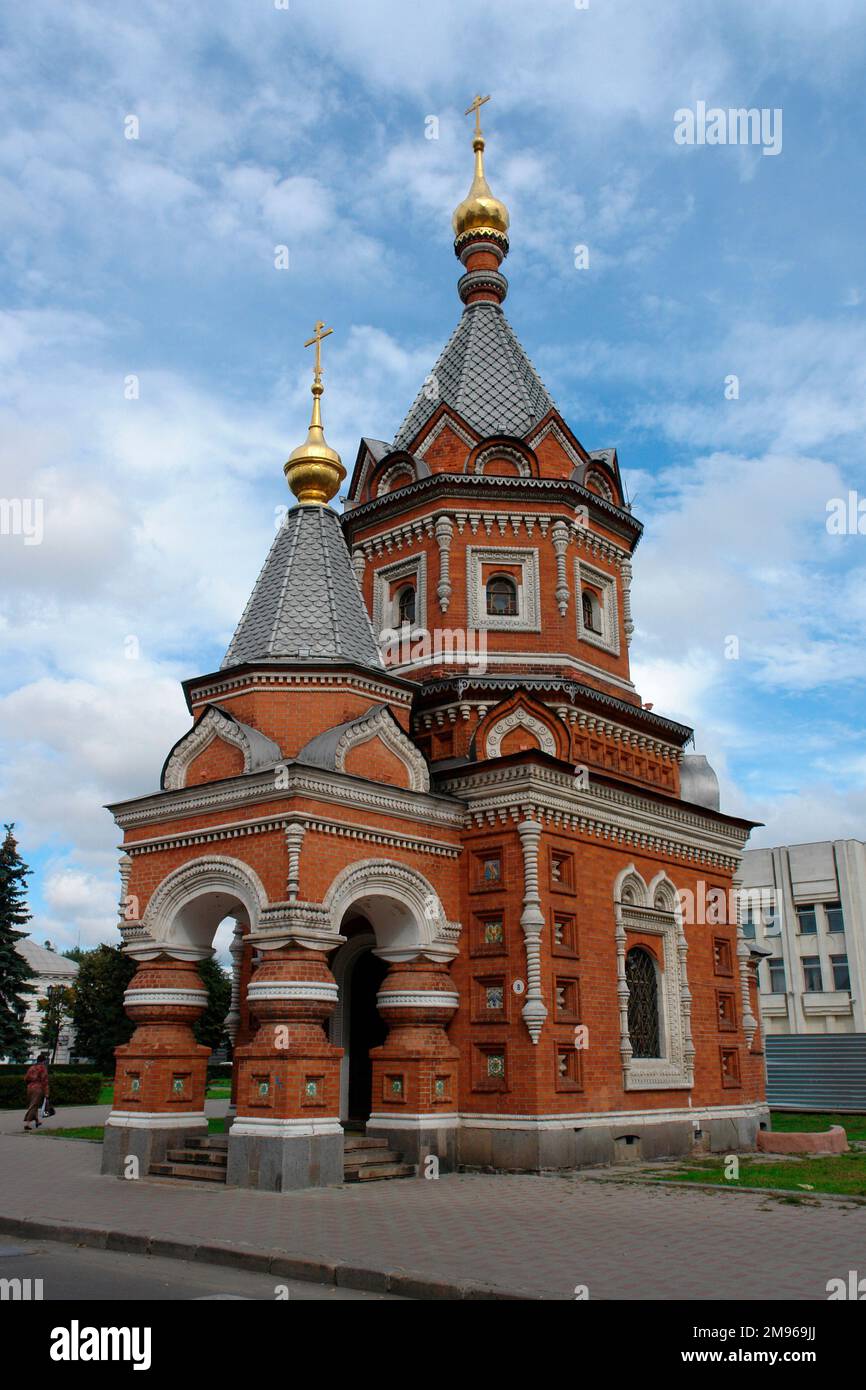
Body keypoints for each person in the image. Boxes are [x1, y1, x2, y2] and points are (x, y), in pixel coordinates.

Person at [23, 1052, 50, 1131]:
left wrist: (30, 1084)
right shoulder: (43, 1068)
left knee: (35, 1104)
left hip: (29, 1088)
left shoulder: (32, 1067)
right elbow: (45, 1081)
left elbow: (25, 1078)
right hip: (38, 1088)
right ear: (43, 1061)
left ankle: (37, 1121)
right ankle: (27, 1124)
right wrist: (47, 1093)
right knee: (34, 1105)